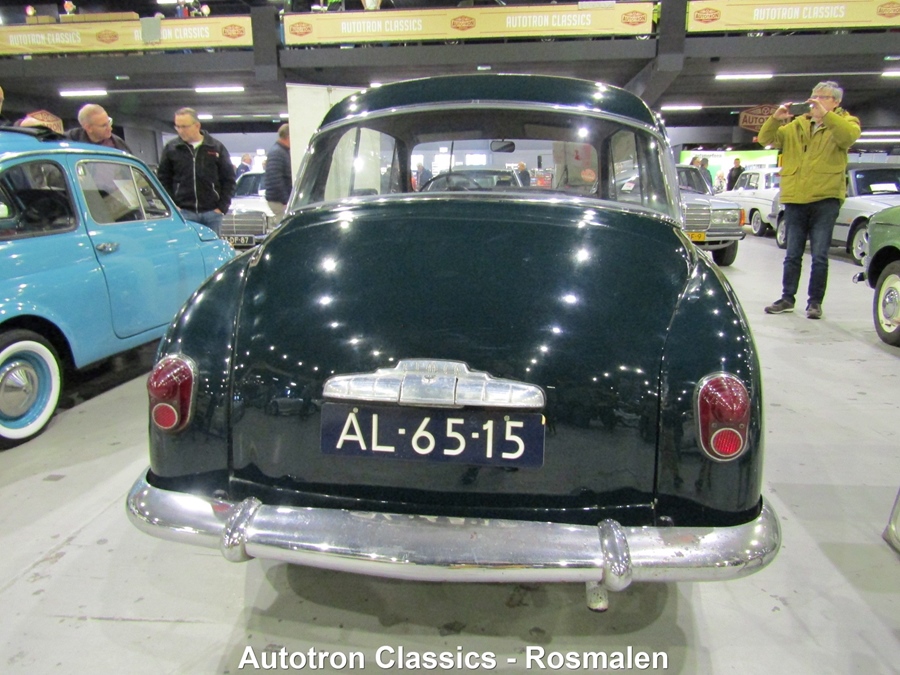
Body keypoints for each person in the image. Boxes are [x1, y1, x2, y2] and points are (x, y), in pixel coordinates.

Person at [760, 81, 860, 320]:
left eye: (822, 97)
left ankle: (814, 303)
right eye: (813, 96)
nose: (814, 101)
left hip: (826, 198)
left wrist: (827, 116)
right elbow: (765, 139)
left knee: (820, 255)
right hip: (796, 198)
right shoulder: (796, 125)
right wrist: (775, 119)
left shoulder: (846, 122)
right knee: (792, 254)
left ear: (836, 102)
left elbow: (848, 138)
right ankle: (787, 298)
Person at [157, 107, 236, 237]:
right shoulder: (171, 149)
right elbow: (163, 180)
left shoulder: (215, 147)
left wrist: (222, 207)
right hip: (183, 213)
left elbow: (229, 179)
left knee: (211, 248)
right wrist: (173, 206)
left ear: (197, 125)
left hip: (212, 214)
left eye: (184, 127)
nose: (180, 131)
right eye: (177, 127)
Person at [64, 104, 131, 152]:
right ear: (88, 128)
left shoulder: (119, 145)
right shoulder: (68, 141)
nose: (110, 128)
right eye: (104, 126)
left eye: (109, 122)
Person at [264, 123, 292, 220]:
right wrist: (286, 201)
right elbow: (275, 179)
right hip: (279, 201)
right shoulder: (278, 153)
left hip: (279, 200)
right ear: (288, 137)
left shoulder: (279, 151)